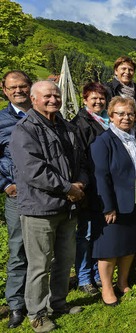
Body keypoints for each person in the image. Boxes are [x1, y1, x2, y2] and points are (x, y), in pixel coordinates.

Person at [10, 81, 87, 332]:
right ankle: (37, 314)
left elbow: (80, 159)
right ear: (33, 100)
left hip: (67, 206)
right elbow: (34, 171)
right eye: (47, 96)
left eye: (56, 95)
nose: (53, 99)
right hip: (39, 208)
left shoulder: (66, 126)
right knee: (39, 265)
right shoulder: (25, 130)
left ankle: (59, 303)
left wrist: (81, 184)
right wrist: (68, 188)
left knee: (64, 260)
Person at [90, 97, 136, 307]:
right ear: (111, 116)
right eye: (120, 114)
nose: (126, 118)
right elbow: (101, 176)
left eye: (130, 114)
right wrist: (108, 207)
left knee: (130, 244)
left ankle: (122, 282)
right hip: (115, 203)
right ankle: (107, 289)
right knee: (110, 248)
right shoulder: (103, 141)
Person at [70, 82, 110, 297]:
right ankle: (84, 277)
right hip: (90, 186)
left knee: (98, 232)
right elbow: (80, 159)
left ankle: (97, 273)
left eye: (101, 98)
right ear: (85, 100)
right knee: (85, 235)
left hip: (105, 186)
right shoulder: (80, 124)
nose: (98, 101)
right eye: (93, 98)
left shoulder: (108, 120)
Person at [0, 70, 31, 329]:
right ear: (5, 90)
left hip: (45, 195)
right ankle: (16, 306)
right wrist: (5, 184)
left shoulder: (43, 111)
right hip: (18, 195)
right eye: (13, 87)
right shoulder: (1, 120)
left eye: (23, 86)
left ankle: (38, 299)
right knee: (19, 250)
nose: (18, 90)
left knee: (43, 251)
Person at [104, 56, 136, 142]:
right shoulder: (108, 90)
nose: (127, 72)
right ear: (116, 71)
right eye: (123, 69)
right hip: (116, 138)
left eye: (130, 70)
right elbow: (105, 115)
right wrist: (131, 116)